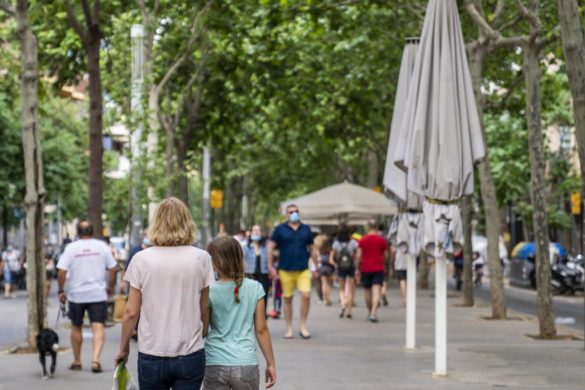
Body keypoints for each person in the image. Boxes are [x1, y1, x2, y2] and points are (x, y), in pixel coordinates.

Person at [115, 198, 214, 389]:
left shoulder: (141, 259)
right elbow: (204, 308)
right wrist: (200, 334)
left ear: (156, 223)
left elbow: (130, 312)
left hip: (152, 353)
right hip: (190, 352)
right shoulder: (201, 258)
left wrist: (124, 349)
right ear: (187, 222)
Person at [203, 237, 276, 389]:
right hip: (246, 363)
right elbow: (261, 330)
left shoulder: (209, 291)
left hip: (215, 362)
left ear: (215, 263)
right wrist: (270, 363)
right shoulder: (255, 288)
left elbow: (203, 330)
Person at [57, 221, 117, 373]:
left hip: (77, 295)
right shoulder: (102, 246)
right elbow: (112, 268)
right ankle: (95, 361)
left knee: (76, 326)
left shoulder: (71, 247)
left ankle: (77, 361)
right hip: (97, 294)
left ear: (77, 232)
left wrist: (60, 290)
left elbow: (62, 270)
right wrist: (111, 286)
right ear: (92, 231)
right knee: (98, 326)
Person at [268, 204, 315, 339]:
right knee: (287, 299)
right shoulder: (280, 229)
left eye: (296, 211)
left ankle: (302, 326)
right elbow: (271, 247)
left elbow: (312, 248)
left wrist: (316, 266)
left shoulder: (306, 229)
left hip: (303, 269)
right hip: (285, 269)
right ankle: (289, 328)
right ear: (286, 214)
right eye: (291, 212)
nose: (294, 213)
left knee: (306, 295)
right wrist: (271, 267)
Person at [356, 220, 389, 323]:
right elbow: (386, 255)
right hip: (378, 268)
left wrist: (357, 268)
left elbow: (358, 256)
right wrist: (387, 264)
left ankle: (370, 311)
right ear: (376, 227)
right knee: (376, 291)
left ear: (368, 227)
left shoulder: (362, 240)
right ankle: (373, 313)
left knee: (367, 290)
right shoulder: (382, 240)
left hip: (365, 268)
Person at [330, 225, 358, 319]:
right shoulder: (353, 243)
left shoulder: (336, 243)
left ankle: (343, 303)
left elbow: (331, 259)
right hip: (351, 267)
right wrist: (356, 266)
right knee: (351, 289)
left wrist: (336, 265)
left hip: (341, 267)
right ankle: (349, 311)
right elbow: (357, 256)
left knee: (341, 289)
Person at [243, 225, 270, 314]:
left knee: (263, 297)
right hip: (250, 275)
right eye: (254, 230)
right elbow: (242, 260)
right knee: (251, 298)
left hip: (263, 275)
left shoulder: (265, 247)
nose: (256, 232)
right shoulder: (246, 246)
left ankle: (263, 318)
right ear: (250, 233)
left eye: (258, 230)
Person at [315, 234, 334, 306]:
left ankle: (324, 299)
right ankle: (328, 299)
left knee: (323, 284)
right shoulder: (330, 250)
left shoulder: (319, 250)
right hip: (329, 268)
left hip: (322, 267)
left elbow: (318, 259)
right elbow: (331, 260)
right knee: (328, 284)